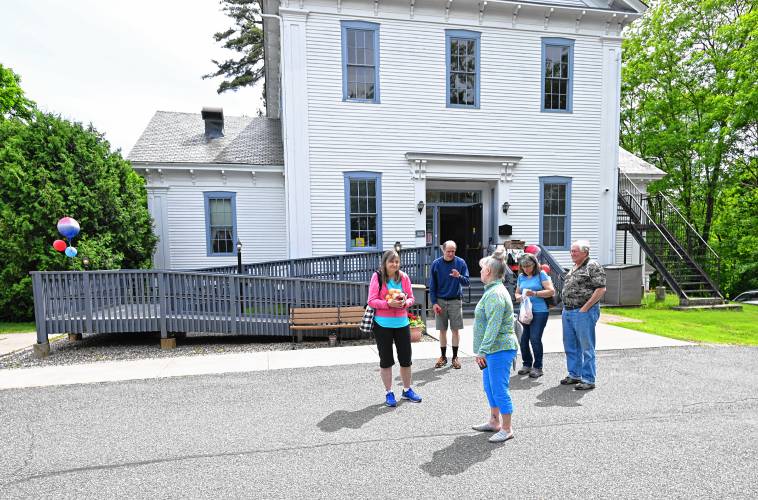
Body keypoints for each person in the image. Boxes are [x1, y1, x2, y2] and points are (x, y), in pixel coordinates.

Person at [470, 248, 518, 443]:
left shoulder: (496, 294)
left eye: (482, 269)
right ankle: (494, 421)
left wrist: (482, 350)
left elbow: (493, 326)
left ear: (488, 271)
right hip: (492, 350)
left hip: (499, 348)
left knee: (499, 388)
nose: (480, 272)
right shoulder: (491, 291)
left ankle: (506, 428)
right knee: (490, 387)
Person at [368, 249, 422, 407]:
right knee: (386, 361)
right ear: (385, 263)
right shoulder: (377, 277)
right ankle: (389, 392)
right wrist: (387, 304)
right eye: (391, 261)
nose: (394, 264)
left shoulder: (404, 277)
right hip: (382, 324)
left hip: (402, 324)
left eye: (397, 261)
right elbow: (371, 300)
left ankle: (407, 390)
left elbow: (412, 297)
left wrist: (405, 302)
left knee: (406, 360)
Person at [560, 240, 607, 391]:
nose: (572, 254)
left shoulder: (592, 266)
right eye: (571, 251)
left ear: (585, 252)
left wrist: (585, 308)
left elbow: (601, 289)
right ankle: (574, 374)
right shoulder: (574, 267)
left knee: (586, 346)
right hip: (568, 310)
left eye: (575, 251)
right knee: (570, 345)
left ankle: (588, 379)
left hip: (583, 311)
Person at [429, 240, 470, 369]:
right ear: (443, 250)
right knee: (442, 330)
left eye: (453, 251)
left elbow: (467, 282)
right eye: (448, 251)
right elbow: (432, 286)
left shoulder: (460, 263)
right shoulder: (436, 264)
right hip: (440, 300)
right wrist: (434, 302)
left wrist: (459, 276)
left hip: (455, 300)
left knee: (455, 330)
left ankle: (455, 357)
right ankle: (443, 356)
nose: (451, 253)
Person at [514, 253, 555, 379]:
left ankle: (538, 367)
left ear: (535, 264)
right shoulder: (521, 277)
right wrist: (519, 297)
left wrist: (535, 293)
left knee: (535, 338)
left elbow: (551, 291)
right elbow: (517, 292)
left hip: (540, 311)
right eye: (524, 266)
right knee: (523, 339)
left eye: (529, 266)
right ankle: (527, 364)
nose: (526, 269)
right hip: (525, 312)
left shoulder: (541, 274)